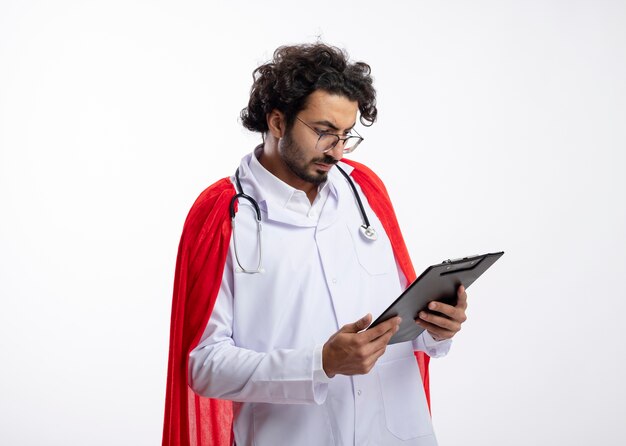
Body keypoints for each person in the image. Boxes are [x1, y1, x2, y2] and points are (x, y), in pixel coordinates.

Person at [162, 43, 468, 446]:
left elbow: (396, 318)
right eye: (323, 132)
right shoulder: (224, 215)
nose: (337, 151)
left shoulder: (366, 192)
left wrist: (435, 327)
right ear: (276, 121)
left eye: (346, 135)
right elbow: (204, 365)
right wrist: (319, 364)